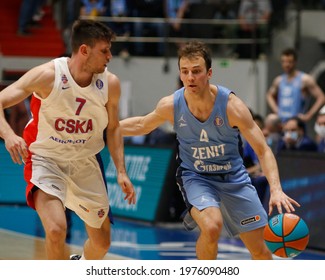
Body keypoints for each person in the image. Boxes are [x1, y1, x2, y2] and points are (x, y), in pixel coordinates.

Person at [120, 41, 300, 260]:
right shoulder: (171, 105)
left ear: (209, 73)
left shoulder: (232, 107)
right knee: (212, 226)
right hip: (195, 176)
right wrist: (104, 127)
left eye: (196, 71)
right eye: (185, 72)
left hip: (234, 177)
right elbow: (141, 124)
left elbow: (263, 150)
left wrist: (276, 189)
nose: (190, 77)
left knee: (260, 252)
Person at [0, 19, 136, 260]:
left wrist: (122, 171)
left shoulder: (110, 84)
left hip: (85, 161)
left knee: (102, 243)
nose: (110, 56)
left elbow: (113, 128)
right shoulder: (47, 76)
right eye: (104, 50)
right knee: (55, 229)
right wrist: (9, 135)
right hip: (46, 159)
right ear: (84, 50)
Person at [266, 48, 325, 124]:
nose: (286, 65)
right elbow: (269, 95)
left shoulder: (305, 79)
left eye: (289, 62)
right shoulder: (279, 80)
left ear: (295, 62)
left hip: (297, 123)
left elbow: (321, 97)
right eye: (284, 62)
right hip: (282, 122)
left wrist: (308, 115)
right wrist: (276, 110)